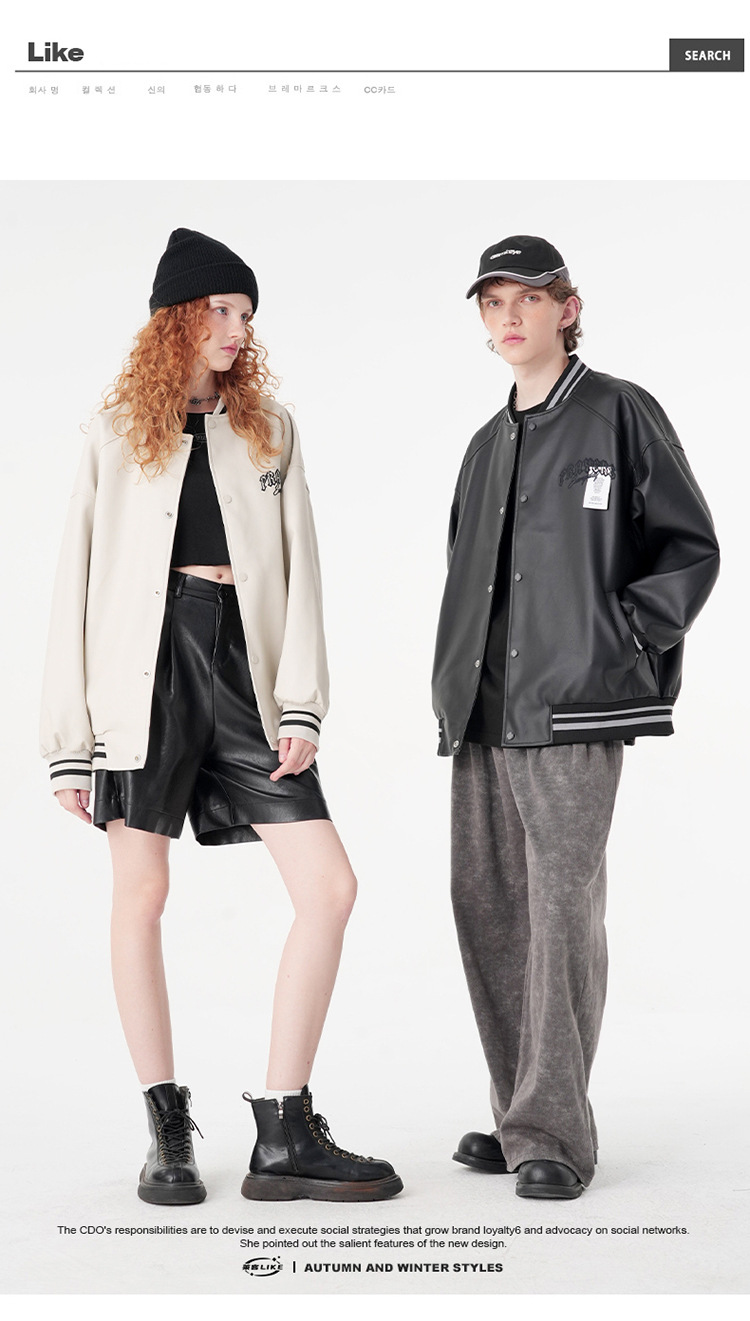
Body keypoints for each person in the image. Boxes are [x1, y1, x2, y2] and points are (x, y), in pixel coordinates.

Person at [40, 228, 402, 1206]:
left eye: (246, 312)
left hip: (247, 669)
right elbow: (73, 587)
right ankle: (166, 1129)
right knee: (141, 893)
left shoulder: (269, 429)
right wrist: (67, 746)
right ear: (177, 319)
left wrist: (302, 704)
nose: (238, 327)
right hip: (142, 676)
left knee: (328, 887)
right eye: (221, 309)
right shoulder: (115, 434)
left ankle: (283, 1128)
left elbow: (304, 573)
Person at [432, 234, 719, 1200]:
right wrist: (452, 686)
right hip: (483, 710)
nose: (509, 316)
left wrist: (623, 640)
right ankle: (522, 1111)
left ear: (568, 307)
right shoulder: (485, 444)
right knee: (489, 907)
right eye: (493, 302)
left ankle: (556, 1130)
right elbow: (466, 575)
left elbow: (690, 546)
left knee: (559, 910)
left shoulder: (619, 412)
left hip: (574, 706)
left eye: (527, 297)